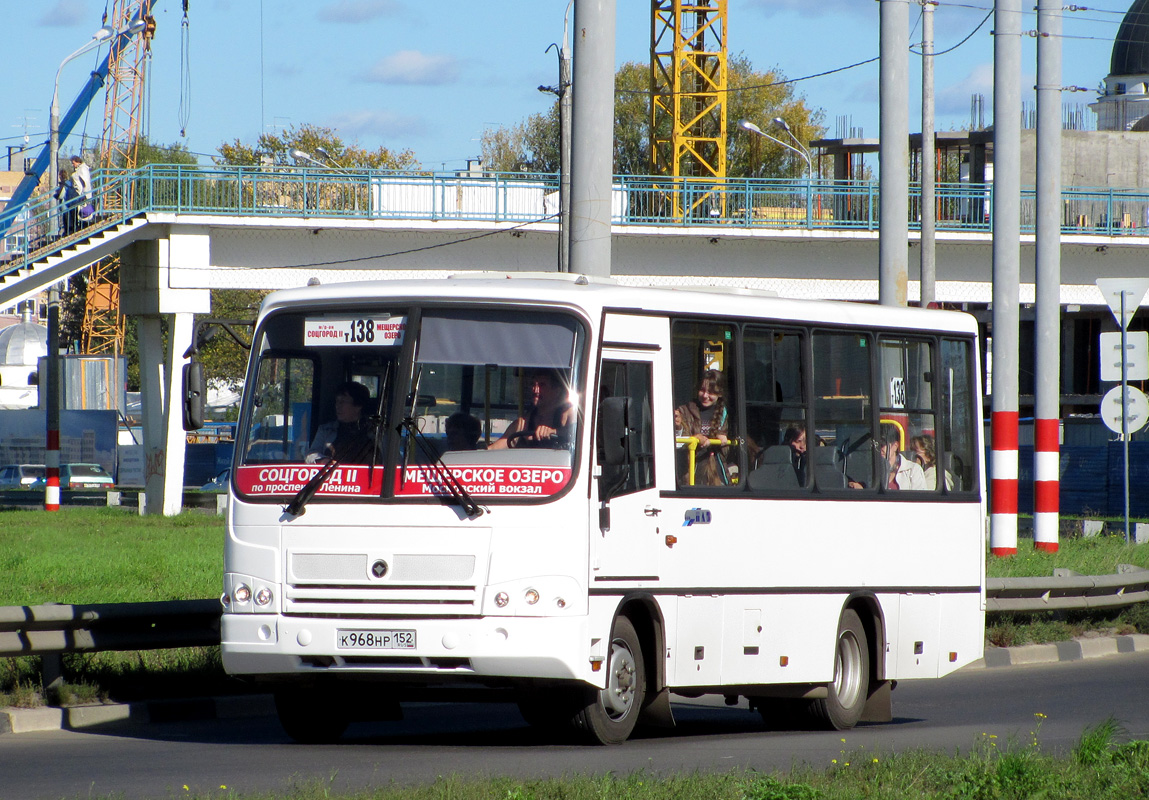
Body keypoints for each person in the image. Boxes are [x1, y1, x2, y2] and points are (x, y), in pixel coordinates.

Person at [490, 369, 574, 449]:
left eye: (542, 385)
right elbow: (496, 447)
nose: (535, 390)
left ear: (557, 391)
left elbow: (579, 433)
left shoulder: (566, 415)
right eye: (533, 384)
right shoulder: (523, 423)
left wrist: (554, 432)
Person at [674, 369, 730, 486]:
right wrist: (681, 429)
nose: (705, 395)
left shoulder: (722, 412)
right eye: (702, 390)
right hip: (692, 471)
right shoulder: (685, 410)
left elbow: (727, 446)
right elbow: (679, 442)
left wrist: (721, 440)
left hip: (716, 471)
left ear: (720, 394)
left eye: (711, 392)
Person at [305, 380, 378, 463]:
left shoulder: (375, 432)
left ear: (358, 406)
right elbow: (310, 455)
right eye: (337, 401)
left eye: (342, 402)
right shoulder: (326, 430)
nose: (337, 406)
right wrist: (323, 460)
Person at [878, 423, 926, 491]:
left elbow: (920, 499)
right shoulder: (868, 470)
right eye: (876, 446)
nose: (878, 449)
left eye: (882, 445)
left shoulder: (913, 470)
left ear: (895, 446)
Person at [52, 169, 78, 236]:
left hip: (65, 204)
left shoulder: (63, 184)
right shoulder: (70, 183)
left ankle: (68, 232)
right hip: (71, 203)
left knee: (66, 219)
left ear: (60, 175)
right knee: (72, 218)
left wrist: (56, 195)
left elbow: (61, 195)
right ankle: (72, 230)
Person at [70, 156, 92, 224]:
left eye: (73, 163)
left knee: (84, 212)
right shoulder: (79, 169)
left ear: (78, 162)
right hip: (79, 194)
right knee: (79, 212)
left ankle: (84, 225)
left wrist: (85, 194)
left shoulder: (83, 169)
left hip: (83, 194)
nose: (73, 165)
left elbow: (86, 182)